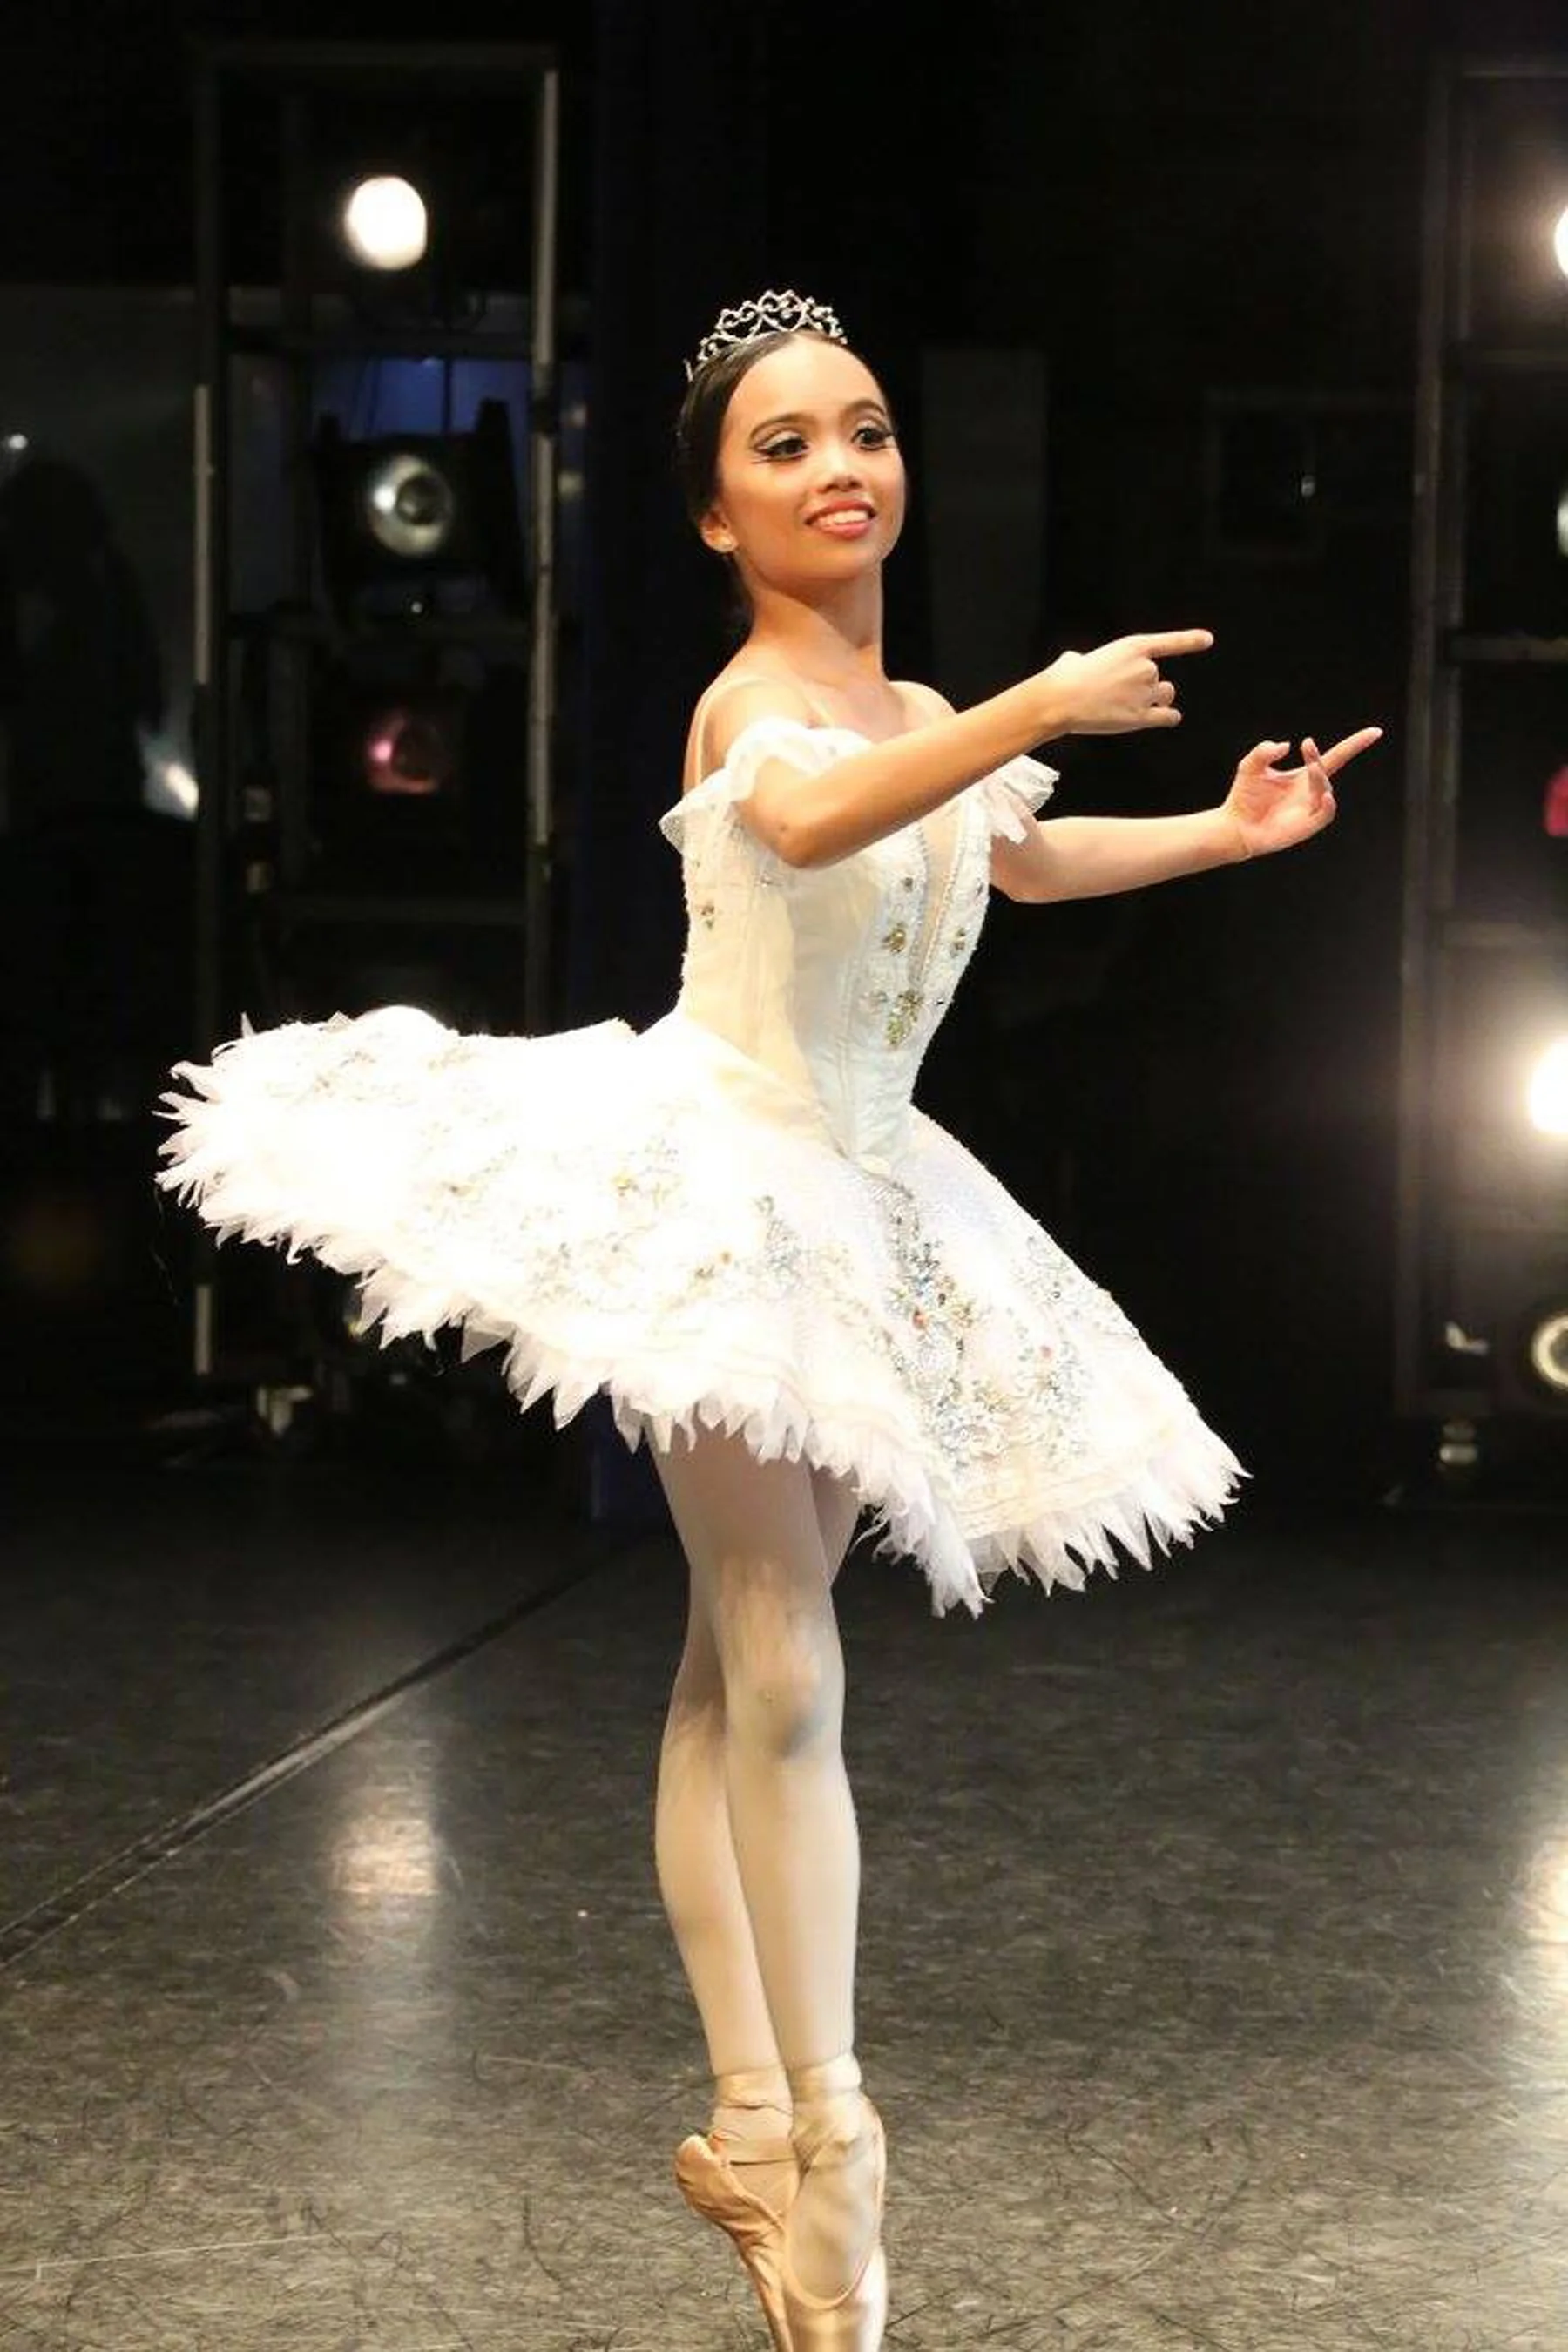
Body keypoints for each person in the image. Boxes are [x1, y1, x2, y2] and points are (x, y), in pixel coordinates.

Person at [155, 289, 1382, 2349]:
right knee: (783, 1660)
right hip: (725, 1183)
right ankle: (831, 2135)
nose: (843, 469)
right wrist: (1039, 699)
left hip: (870, 1189)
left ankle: (748, 2121)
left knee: (740, 1669)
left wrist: (1223, 830)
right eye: (787, 444)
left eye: (867, 430)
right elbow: (816, 819)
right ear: (719, 516)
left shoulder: (928, 716)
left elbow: (1014, 855)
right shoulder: (747, 708)